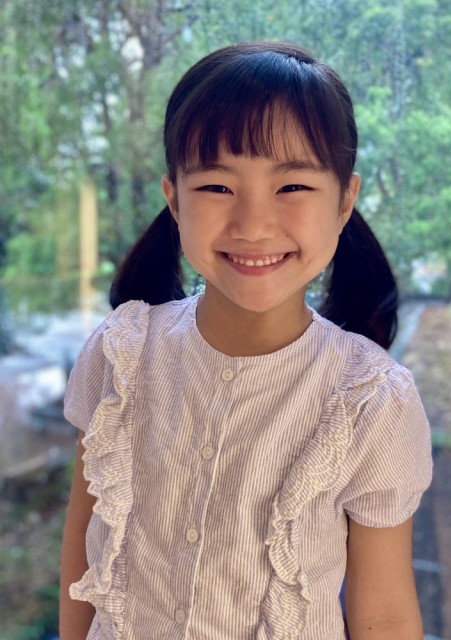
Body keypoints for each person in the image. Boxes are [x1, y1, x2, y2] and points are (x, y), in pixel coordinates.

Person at [60, 41, 432, 639]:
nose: (253, 225)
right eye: (217, 187)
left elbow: (384, 616)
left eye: (292, 187)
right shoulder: (120, 354)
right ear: (174, 199)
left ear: (344, 201)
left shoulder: (372, 399)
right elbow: (83, 555)